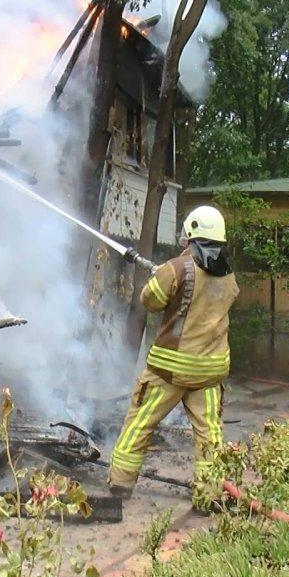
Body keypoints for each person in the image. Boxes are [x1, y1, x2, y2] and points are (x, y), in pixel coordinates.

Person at [109, 205, 240, 497]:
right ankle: (209, 495)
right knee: (209, 436)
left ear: (190, 234)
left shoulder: (177, 268)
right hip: (209, 372)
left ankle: (120, 484)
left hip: (169, 371)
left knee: (140, 423)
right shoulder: (228, 274)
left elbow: (150, 300)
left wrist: (163, 278)